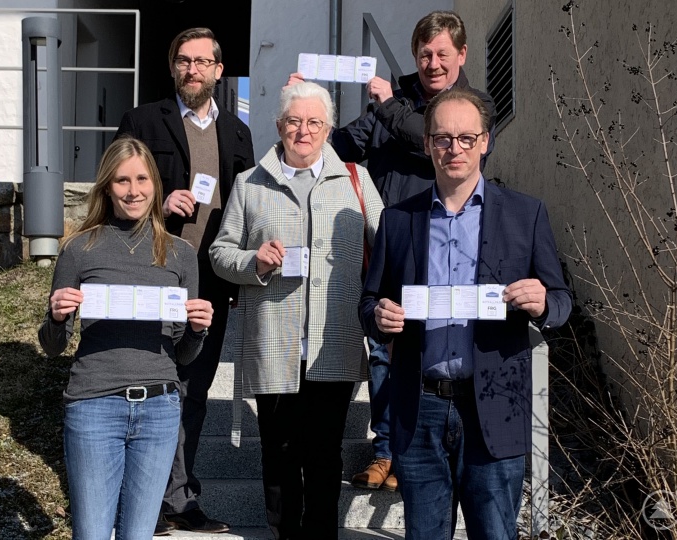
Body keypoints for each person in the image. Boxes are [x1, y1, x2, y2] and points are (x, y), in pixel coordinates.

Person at [287, 10, 497, 493]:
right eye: (424, 54)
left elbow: (427, 142)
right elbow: (340, 146)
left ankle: (420, 449)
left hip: (447, 249)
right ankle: (387, 451)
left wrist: (387, 108)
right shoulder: (393, 102)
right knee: (383, 348)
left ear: (462, 55)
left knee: (430, 348)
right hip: (390, 244)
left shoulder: (474, 105)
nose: (432, 63)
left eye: (442, 53)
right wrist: (306, 112)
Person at [358, 87, 571, 539]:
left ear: (485, 141)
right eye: (442, 138)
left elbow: (561, 299)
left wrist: (543, 303)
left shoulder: (526, 214)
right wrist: (379, 316)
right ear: (427, 143)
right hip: (420, 408)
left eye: (466, 138)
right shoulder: (398, 220)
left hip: (494, 406)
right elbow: (369, 301)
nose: (453, 148)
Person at [209, 81, 383, 540]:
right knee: (279, 450)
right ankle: (285, 533)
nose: (303, 131)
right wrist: (254, 261)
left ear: (329, 128)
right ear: (278, 125)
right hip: (274, 340)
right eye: (294, 121)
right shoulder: (250, 183)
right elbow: (220, 253)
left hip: (334, 339)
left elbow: (387, 243)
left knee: (325, 452)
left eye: (314, 122)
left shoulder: (355, 180)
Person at [38, 136, 213, 540]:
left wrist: (198, 330)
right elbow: (52, 345)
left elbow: (184, 355)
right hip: (94, 407)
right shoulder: (79, 249)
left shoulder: (181, 254)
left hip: (159, 410)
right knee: (92, 533)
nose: (133, 191)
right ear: (106, 187)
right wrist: (57, 316)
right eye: (122, 180)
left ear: (155, 184)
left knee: (139, 535)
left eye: (141, 179)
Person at [115, 27, 254, 535]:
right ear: (173, 66)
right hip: (153, 274)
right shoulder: (143, 120)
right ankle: (142, 502)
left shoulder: (238, 133)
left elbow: (246, 209)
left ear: (219, 70)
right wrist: (159, 201)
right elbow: (113, 189)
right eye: (183, 60)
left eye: (202, 61)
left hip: (210, 284)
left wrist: (238, 280)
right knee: (149, 388)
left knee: (193, 393)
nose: (192, 69)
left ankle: (179, 498)